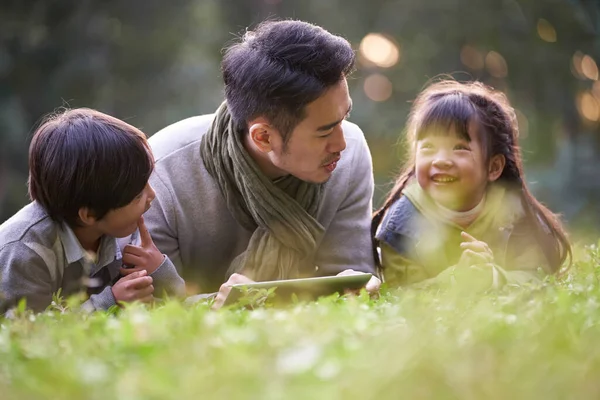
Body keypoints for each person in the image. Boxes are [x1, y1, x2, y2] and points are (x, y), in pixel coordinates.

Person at [144, 19, 380, 308]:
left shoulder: (351, 152)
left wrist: (356, 285)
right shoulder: (163, 172)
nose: (341, 143)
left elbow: (352, 275)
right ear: (264, 137)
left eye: (345, 118)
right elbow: (148, 306)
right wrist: (216, 304)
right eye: (325, 131)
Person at [372, 80, 571, 290]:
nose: (440, 160)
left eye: (459, 147)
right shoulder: (400, 226)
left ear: (494, 167)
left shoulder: (515, 214)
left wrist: (493, 278)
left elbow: (538, 279)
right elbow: (400, 293)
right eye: (428, 147)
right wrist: (456, 279)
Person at [0, 108, 185, 314]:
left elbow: (171, 314)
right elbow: (27, 336)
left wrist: (160, 271)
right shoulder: (24, 253)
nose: (152, 195)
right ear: (88, 215)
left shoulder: (117, 230)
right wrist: (109, 301)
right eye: (136, 196)